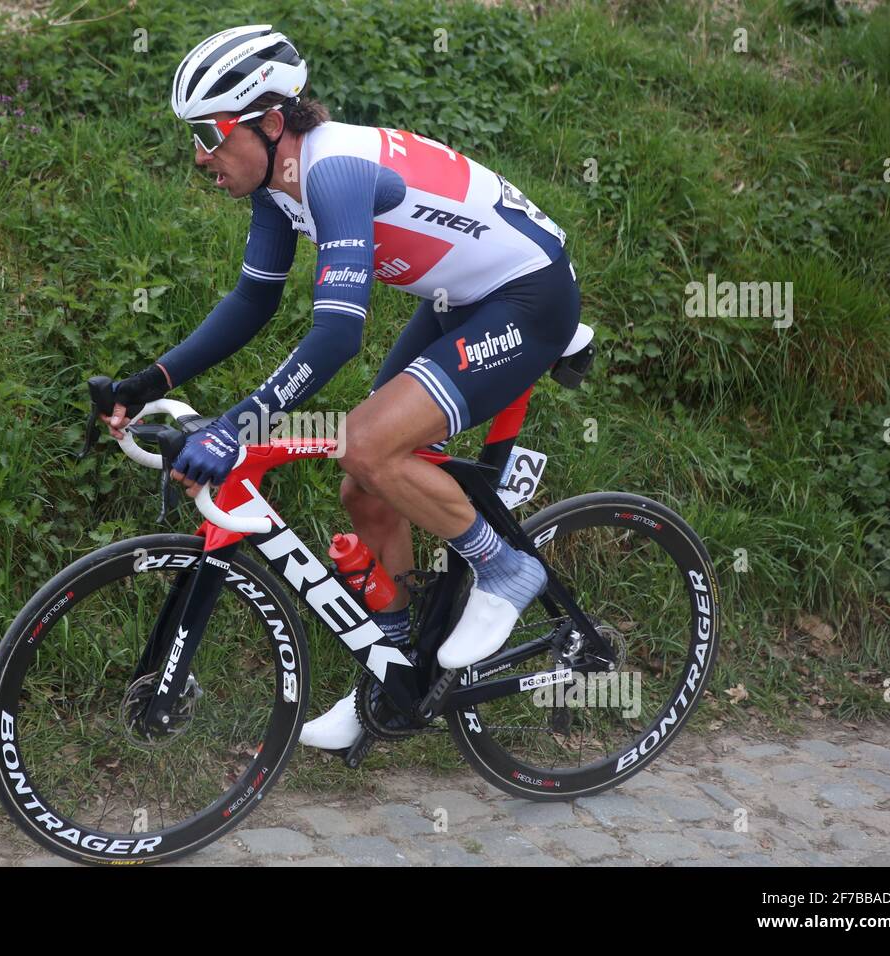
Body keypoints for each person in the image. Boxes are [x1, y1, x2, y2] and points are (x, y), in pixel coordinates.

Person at [103, 24, 582, 751]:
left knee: (365, 444)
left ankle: (505, 567)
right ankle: (390, 671)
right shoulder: (277, 184)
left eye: (210, 132)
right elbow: (251, 303)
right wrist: (151, 380)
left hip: (527, 297)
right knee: (364, 486)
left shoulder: (334, 171)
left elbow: (336, 336)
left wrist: (234, 427)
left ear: (269, 122)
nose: (200, 155)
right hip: (462, 297)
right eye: (191, 136)